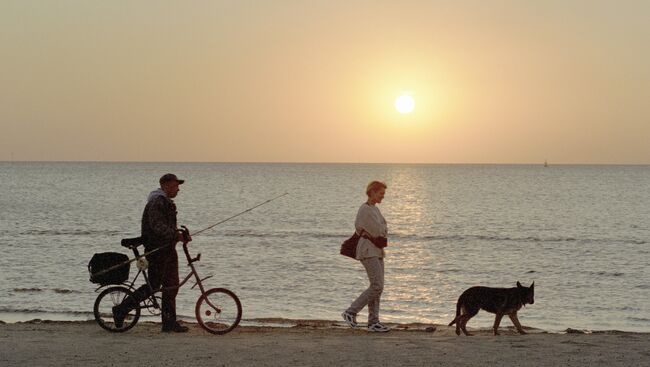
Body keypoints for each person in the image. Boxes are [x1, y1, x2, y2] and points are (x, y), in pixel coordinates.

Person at [113, 173, 191, 333]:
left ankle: (169, 323)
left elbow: (166, 227)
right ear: (166, 185)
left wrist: (180, 235)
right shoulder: (156, 202)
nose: (178, 190)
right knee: (154, 285)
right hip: (157, 251)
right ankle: (121, 309)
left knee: (172, 285)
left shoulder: (166, 202)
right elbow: (157, 226)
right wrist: (175, 235)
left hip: (168, 250)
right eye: (176, 186)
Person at [342, 181, 390, 332]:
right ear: (373, 192)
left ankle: (373, 322)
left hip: (377, 250)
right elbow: (378, 230)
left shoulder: (375, 209)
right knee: (377, 285)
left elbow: (383, 229)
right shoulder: (365, 209)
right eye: (381, 193)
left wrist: (382, 230)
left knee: (378, 287)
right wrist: (382, 230)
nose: (383, 196)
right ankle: (351, 312)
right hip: (368, 250)